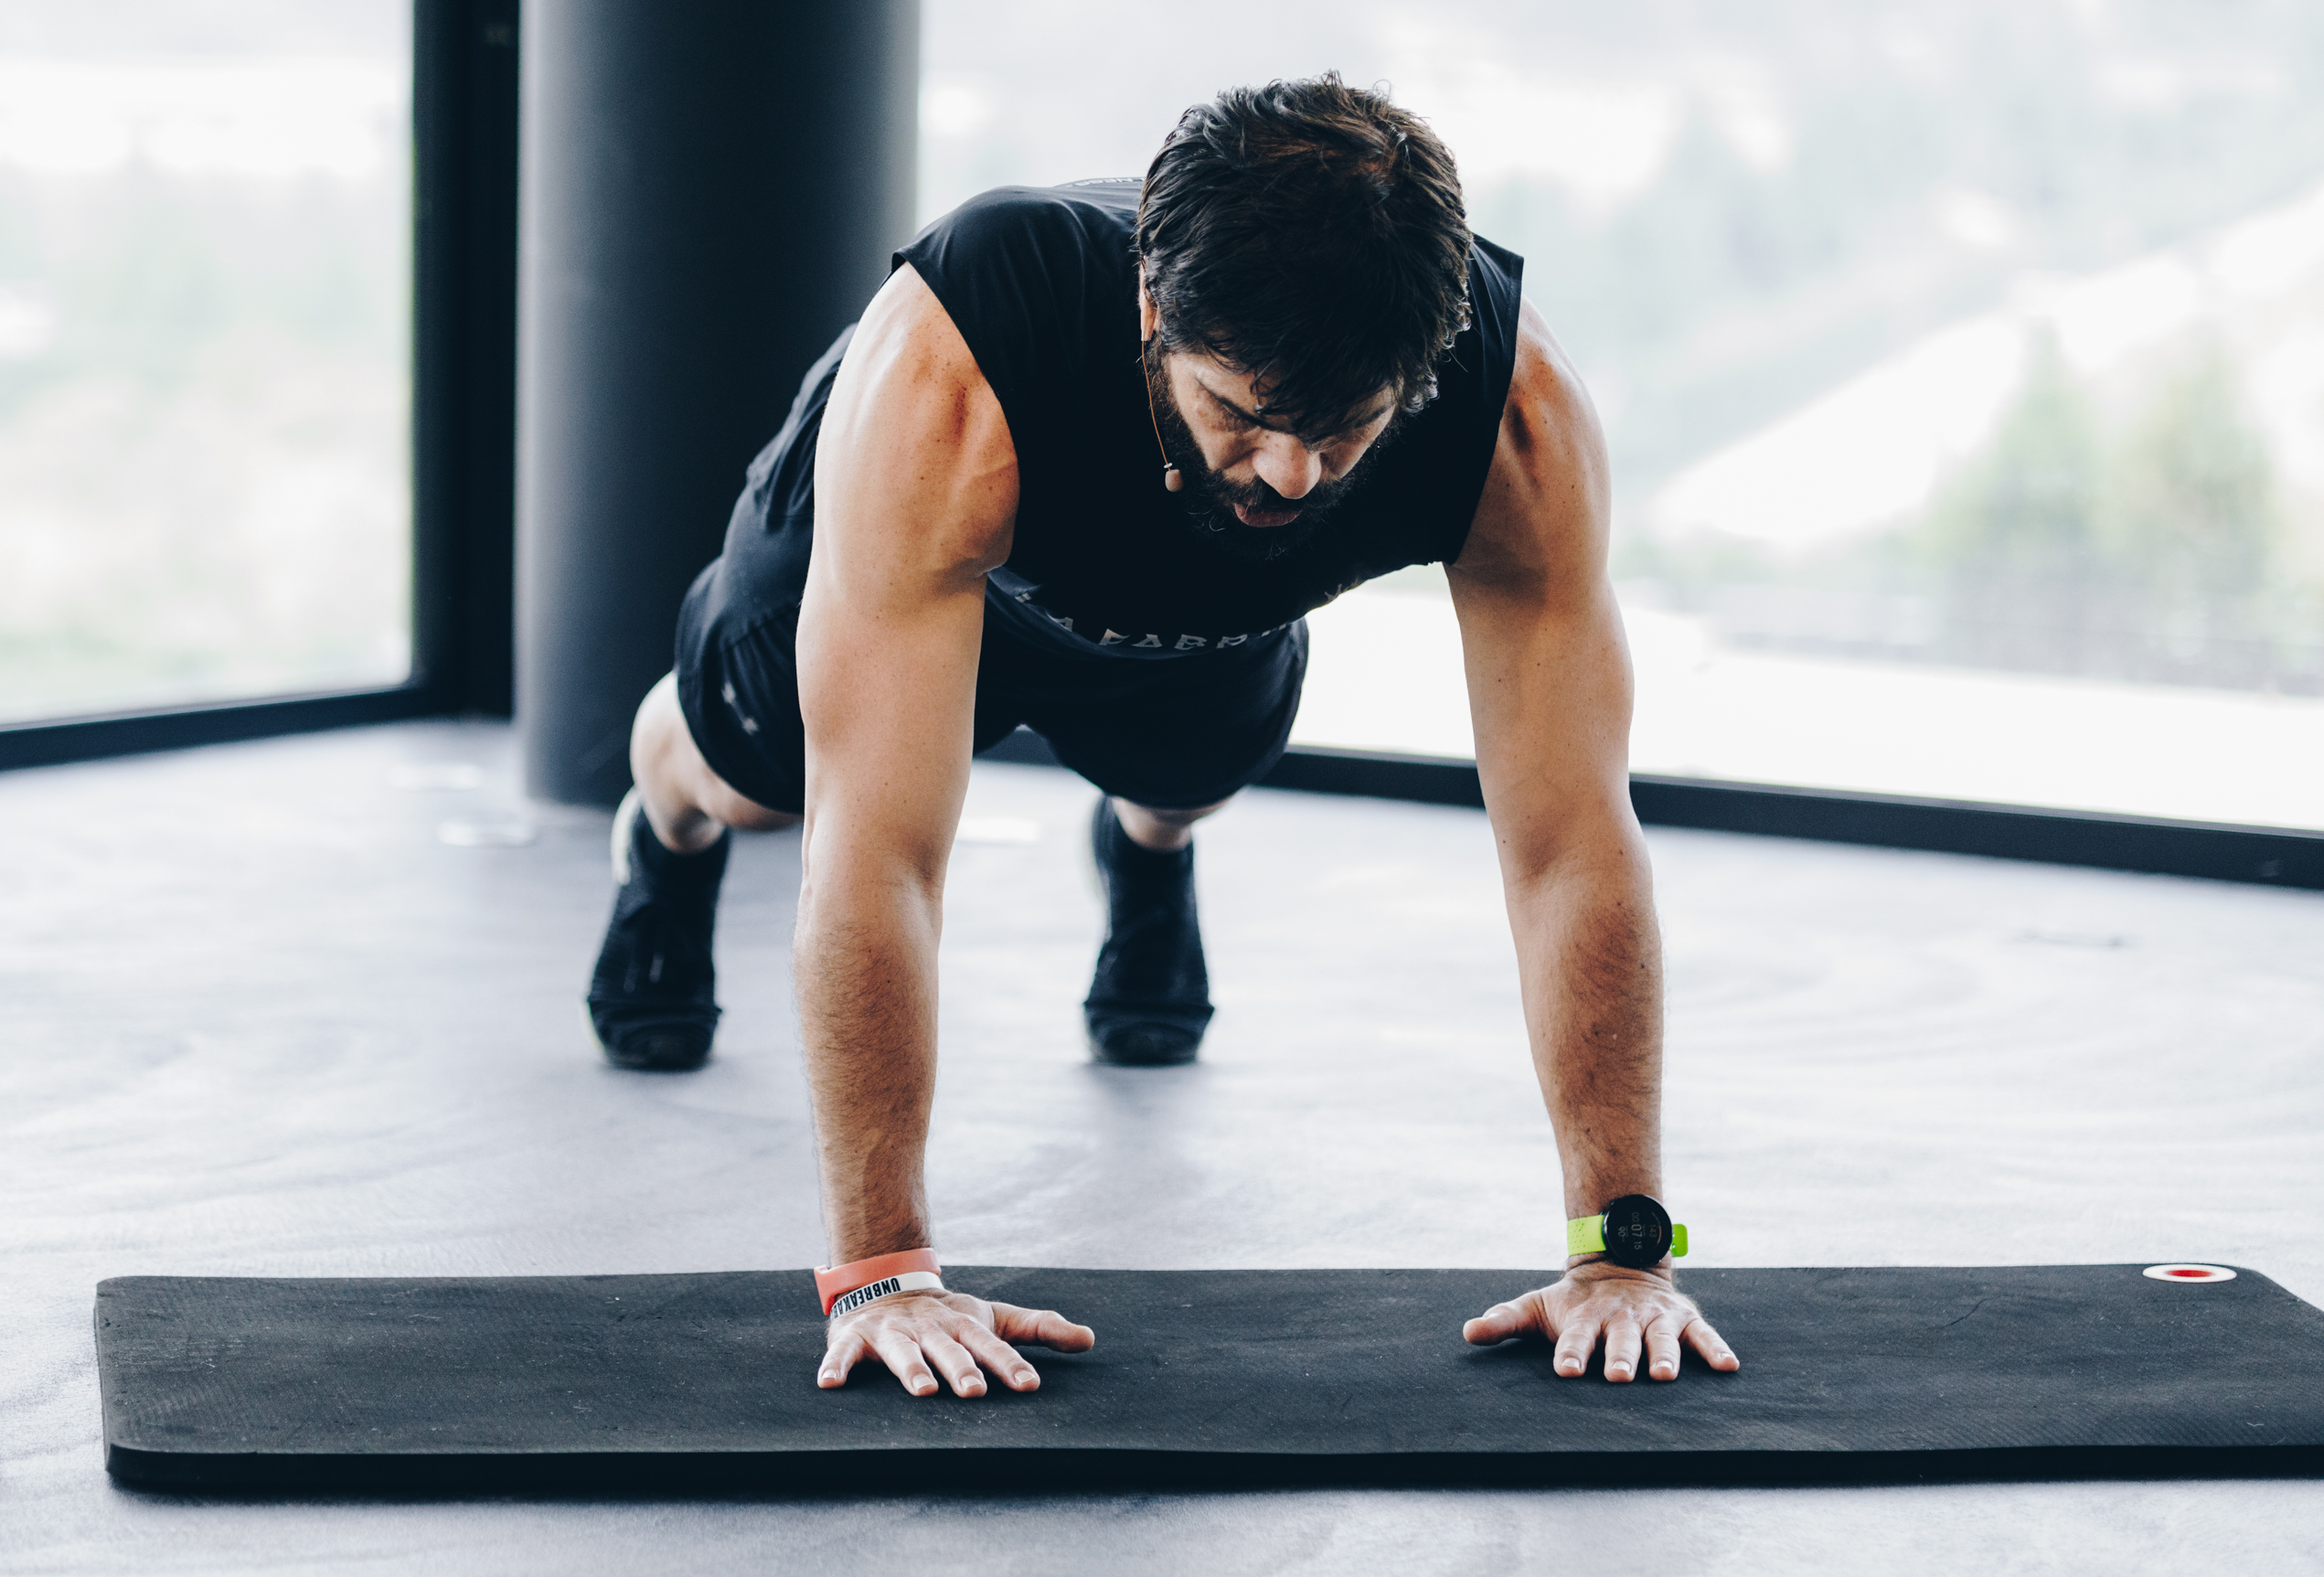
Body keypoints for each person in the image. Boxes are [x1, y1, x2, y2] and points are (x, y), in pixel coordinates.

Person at [585, 75, 1739, 1399]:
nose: (1295, 474)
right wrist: (882, 1273)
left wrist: (1622, 1250)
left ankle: (1145, 846)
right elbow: (879, 853)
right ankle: (659, 827)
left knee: (1193, 769)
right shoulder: (954, 365)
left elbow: (1571, 841)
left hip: (1191, 596)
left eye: (1348, 429)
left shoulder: (1510, 416)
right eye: (1245, 412)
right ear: (1151, 308)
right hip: (919, 536)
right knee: (755, 781)